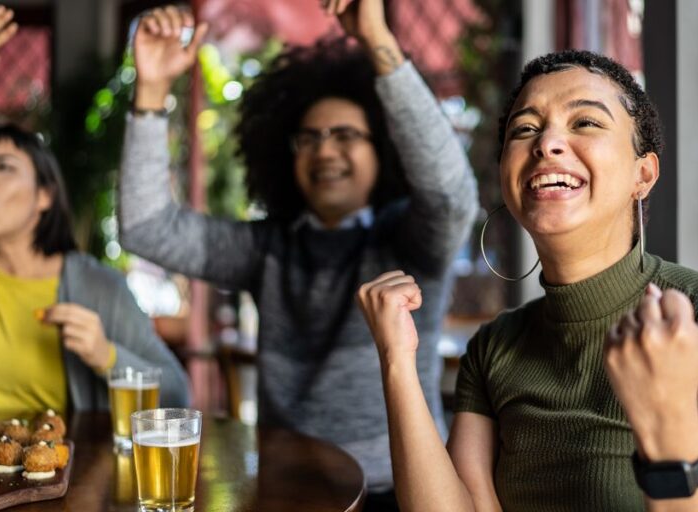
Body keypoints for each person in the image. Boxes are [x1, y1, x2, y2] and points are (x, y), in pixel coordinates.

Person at [358, 50, 698, 511]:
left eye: (585, 122)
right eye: (525, 129)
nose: (547, 143)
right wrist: (397, 360)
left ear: (643, 174)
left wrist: (667, 421)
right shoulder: (494, 346)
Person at [120, 1, 477, 506]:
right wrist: (152, 90)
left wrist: (376, 38)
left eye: (346, 136)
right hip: (289, 492)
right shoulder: (266, 248)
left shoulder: (413, 239)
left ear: (385, 150)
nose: (325, 151)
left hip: (399, 493)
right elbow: (145, 226)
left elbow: (450, 194)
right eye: (308, 139)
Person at [0, 1, 190, 418]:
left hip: (52, 481)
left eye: (3, 167)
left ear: (44, 197)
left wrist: (106, 355)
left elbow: (179, 396)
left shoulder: (100, 288)